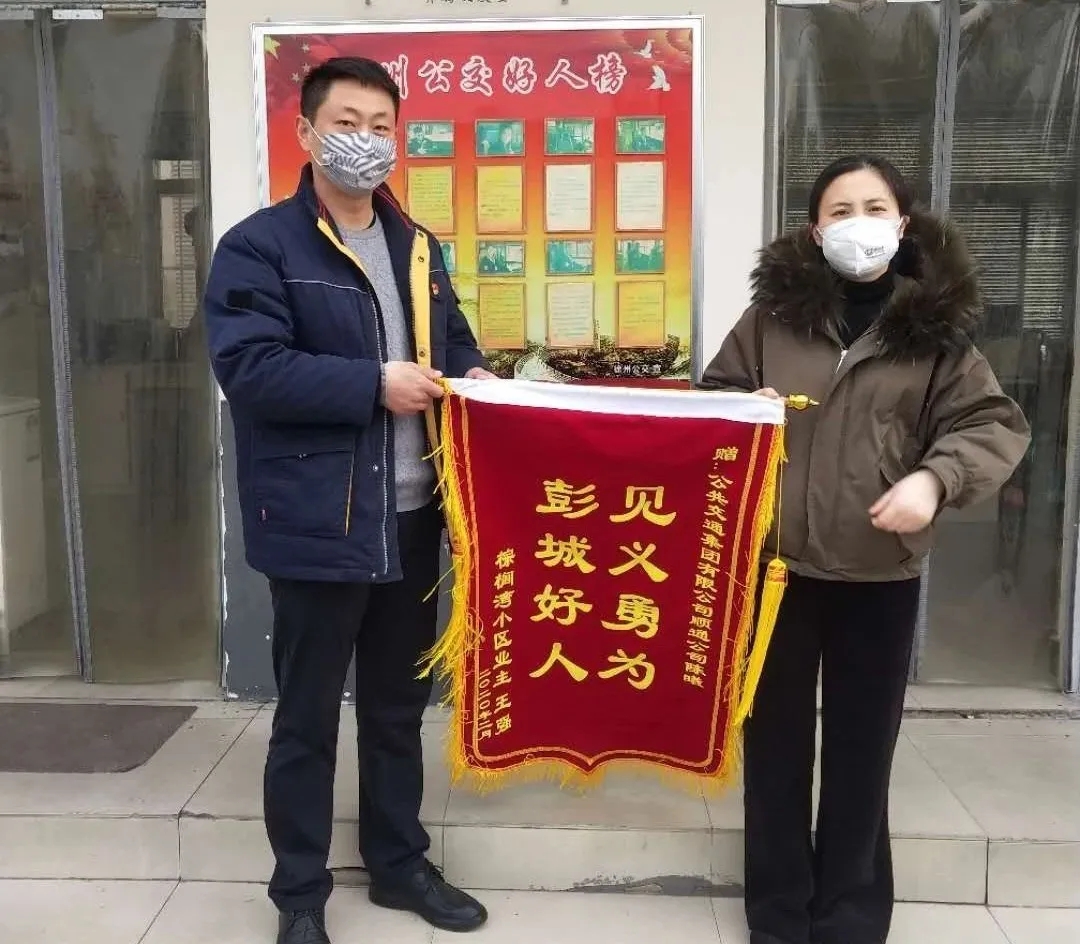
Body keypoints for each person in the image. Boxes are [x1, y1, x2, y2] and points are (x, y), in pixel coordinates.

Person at [699, 154, 1030, 944]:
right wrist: (744, 409)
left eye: (874, 208)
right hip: (776, 573)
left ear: (902, 223)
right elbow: (712, 400)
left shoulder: (935, 330)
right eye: (839, 211)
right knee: (775, 751)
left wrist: (935, 479)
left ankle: (848, 917)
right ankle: (779, 915)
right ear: (816, 231)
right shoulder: (771, 319)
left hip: (880, 573)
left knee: (861, 753)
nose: (858, 225)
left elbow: (990, 424)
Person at [203, 57, 497, 944]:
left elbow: (451, 342)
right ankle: (299, 896)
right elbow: (250, 370)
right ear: (306, 131)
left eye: (380, 126)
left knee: (398, 712)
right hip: (319, 525)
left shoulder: (416, 244)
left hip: (412, 522)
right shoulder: (260, 247)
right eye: (346, 122)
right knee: (305, 723)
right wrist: (373, 383)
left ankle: (399, 864)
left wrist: (476, 376)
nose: (365, 141)